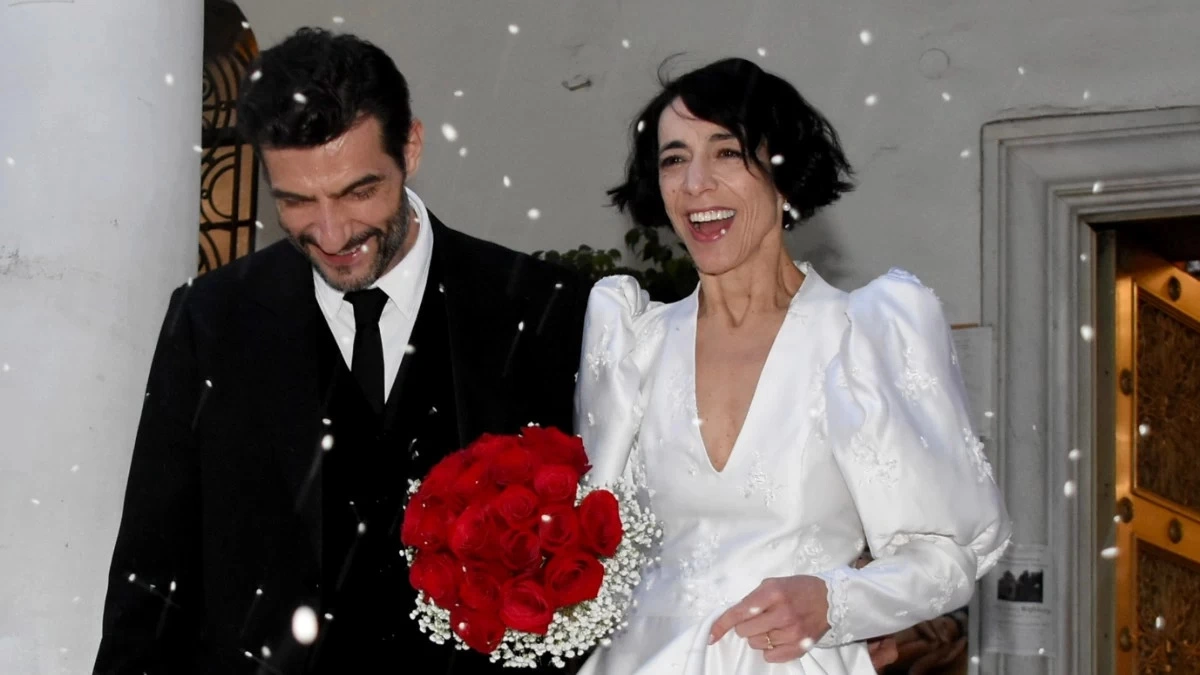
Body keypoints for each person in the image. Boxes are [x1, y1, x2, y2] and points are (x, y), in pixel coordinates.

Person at [94, 28, 588, 674]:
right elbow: (153, 573)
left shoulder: (544, 309)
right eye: (297, 201)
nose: (330, 233)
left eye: (358, 191)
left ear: (410, 147)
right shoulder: (211, 321)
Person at [573, 57, 1011, 674]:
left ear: (784, 177)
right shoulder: (631, 344)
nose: (695, 183)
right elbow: (596, 547)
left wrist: (836, 602)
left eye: (727, 152)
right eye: (673, 159)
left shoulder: (862, 337)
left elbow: (945, 560)